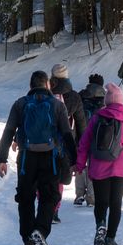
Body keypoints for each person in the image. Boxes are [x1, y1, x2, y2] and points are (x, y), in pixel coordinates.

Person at [0, 70, 74, 245]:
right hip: (50, 157)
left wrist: (2, 158)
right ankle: (40, 231)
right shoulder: (56, 105)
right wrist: (75, 160)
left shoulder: (20, 104)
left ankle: (28, 239)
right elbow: (66, 134)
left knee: (25, 198)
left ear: (30, 86)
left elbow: (8, 131)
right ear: (47, 85)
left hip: (26, 158)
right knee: (49, 196)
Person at [75, 83, 123, 245]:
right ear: (121, 101)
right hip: (121, 169)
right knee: (116, 204)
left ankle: (101, 225)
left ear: (107, 101)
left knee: (101, 202)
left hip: (99, 167)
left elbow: (84, 143)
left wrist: (79, 165)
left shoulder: (97, 117)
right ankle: (110, 238)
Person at [48, 64, 85, 223]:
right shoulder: (75, 97)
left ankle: (46, 208)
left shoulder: (45, 94)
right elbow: (81, 124)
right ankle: (54, 210)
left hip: (44, 142)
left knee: (44, 176)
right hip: (65, 143)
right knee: (59, 178)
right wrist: (81, 148)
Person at [75, 73, 107, 206]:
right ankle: (91, 197)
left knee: (80, 165)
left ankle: (79, 194)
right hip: (98, 137)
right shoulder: (105, 98)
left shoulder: (81, 95)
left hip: (81, 135)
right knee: (94, 165)